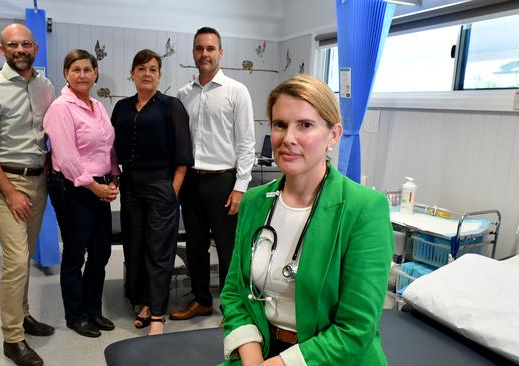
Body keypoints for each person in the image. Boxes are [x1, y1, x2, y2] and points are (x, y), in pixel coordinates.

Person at [219, 75, 394, 365]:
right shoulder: (253, 202)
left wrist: (280, 364)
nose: (288, 138)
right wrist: (252, 359)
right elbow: (235, 293)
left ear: (333, 135)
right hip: (261, 349)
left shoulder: (365, 210)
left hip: (329, 358)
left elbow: (356, 329)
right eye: (280, 125)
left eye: (305, 125)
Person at [0, 24, 55, 366]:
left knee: (25, 254)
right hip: (7, 183)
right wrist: (9, 192)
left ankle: (23, 315)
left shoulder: (47, 86)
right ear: (1, 50)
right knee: (17, 260)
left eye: (25, 44)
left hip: (39, 181)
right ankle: (12, 338)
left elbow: (51, 132)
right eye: (12, 45)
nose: (20, 49)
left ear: (34, 47)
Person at [170, 27, 255, 321]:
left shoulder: (236, 91)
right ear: (193, 53)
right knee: (194, 246)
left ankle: (232, 307)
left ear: (220, 52)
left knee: (227, 248)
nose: (204, 54)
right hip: (192, 182)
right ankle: (201, 300)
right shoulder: (183, 95)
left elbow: (246, 143)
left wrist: (241, 187)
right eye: (199, 48)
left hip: (224, 181)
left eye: (210, 48)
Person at [111, 49, 193, 335]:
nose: (147, 73)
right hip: (131, 187)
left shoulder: (171, 106)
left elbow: (183, 155)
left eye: (153, 69)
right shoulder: (121, 107)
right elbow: (111, 148)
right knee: (135, 248)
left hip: (161, 185)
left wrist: (173, 190)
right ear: (132, 73)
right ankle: (142, 302)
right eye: (142, 68)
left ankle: (158, 314)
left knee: (159, 250)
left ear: (159, 75)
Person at [43, 49, 119, 338]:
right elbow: (67, 156)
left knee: (100, 251)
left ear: (95, 73)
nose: (83, 75)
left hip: (99, 184)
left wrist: (114, 176)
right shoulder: (61, 108)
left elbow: (107, 145)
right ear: (66, 74)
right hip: (72, 188)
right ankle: (76, 316)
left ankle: (93, 310)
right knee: (76, 254)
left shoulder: (98, 107)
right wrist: (95, 186)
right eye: (76, 70)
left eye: (88, 69)